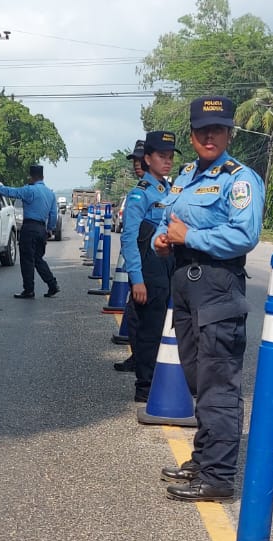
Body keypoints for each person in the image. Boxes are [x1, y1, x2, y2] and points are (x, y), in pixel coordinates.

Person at [152, 96, 264, 501]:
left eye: (217, 129)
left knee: (219, 385)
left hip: (218, 284)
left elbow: (244, 235)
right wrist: (162, 239)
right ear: (193, 134)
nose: (209, 136)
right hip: (185, 280)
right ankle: (203, 459)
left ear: (229, 133)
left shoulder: (240, 179)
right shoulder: (184, 176)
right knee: (198, 378)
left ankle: (218, 477)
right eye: (202, 130)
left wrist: (190, 237)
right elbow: (167, 218)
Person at [120, 131, 178, 401]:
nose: (167, 162)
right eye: (161, 157)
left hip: (169, 267)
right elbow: (129, 239)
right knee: (149, 331)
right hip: (148, 270)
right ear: (148, 159)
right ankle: (144, 388)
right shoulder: (139, 195)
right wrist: (136, 278)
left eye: (170, 157)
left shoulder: (170, 191)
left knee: (167, 326)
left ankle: (160, 380)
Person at [0, 165, 59, 299]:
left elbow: (10, 192)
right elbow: (53, 214)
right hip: (41, 228)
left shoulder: (29, 190)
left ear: (32, 177)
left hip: (29, 228)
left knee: (27, 260)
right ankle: (52, 284)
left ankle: (29, 290)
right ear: (42, 177)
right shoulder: (50, 193)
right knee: (38, 259)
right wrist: (49, 230)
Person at [115, 139, 151, 374]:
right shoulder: (140, 190)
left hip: (152, 263)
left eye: (140, 160)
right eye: (134, 161)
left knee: (143, 320)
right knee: (136, 316)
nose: (136, 165)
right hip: (141, 262)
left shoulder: (159, 191)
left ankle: (145, 368)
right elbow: (128, 237)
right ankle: (138, 359)